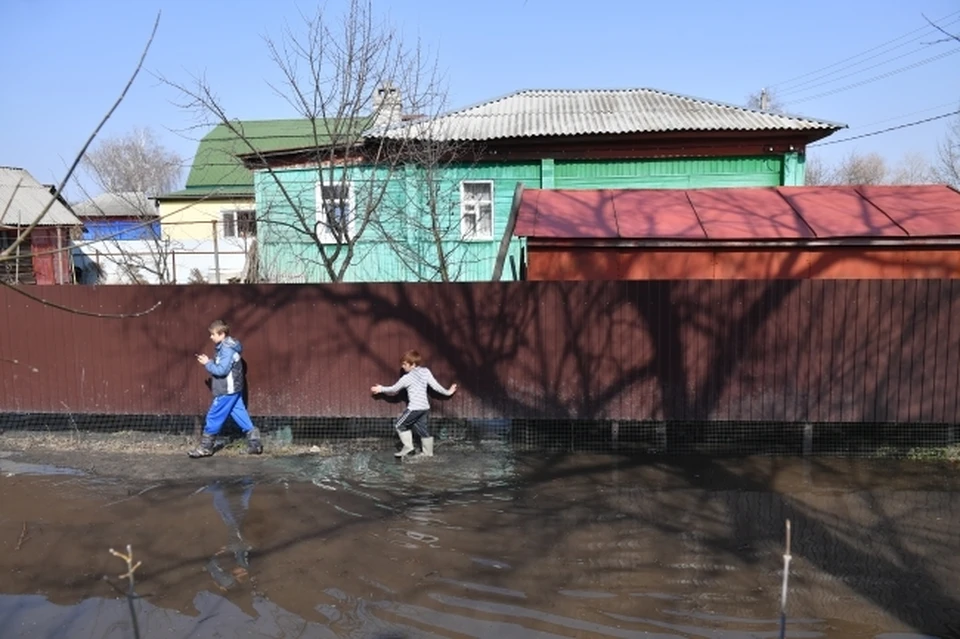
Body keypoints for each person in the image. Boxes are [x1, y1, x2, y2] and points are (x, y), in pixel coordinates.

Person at [189, 320, 263, 458]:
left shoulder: (226, 349)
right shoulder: (226, 346)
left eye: (213, 334)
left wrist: (207, 363)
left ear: (222, 334)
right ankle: (255, 444)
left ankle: (206, 447)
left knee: (213, 415)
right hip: (234, 389)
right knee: (239, 413)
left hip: (227, 390)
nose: (211, 337)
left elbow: (222, 370)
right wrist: (209, 361)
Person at [370, 349, 457, 458]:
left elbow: (394, 389)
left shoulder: (407, 377)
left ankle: (408, 446)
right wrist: (448, 392)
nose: (403, 366)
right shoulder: (425, 372)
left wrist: (380, 389)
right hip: (425, 408)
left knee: (399, 424)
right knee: (423, 430)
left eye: (405, 364)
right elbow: (436, 386)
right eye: (402, 364)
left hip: (414, 408)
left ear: (413, 364)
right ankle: (428, 454)